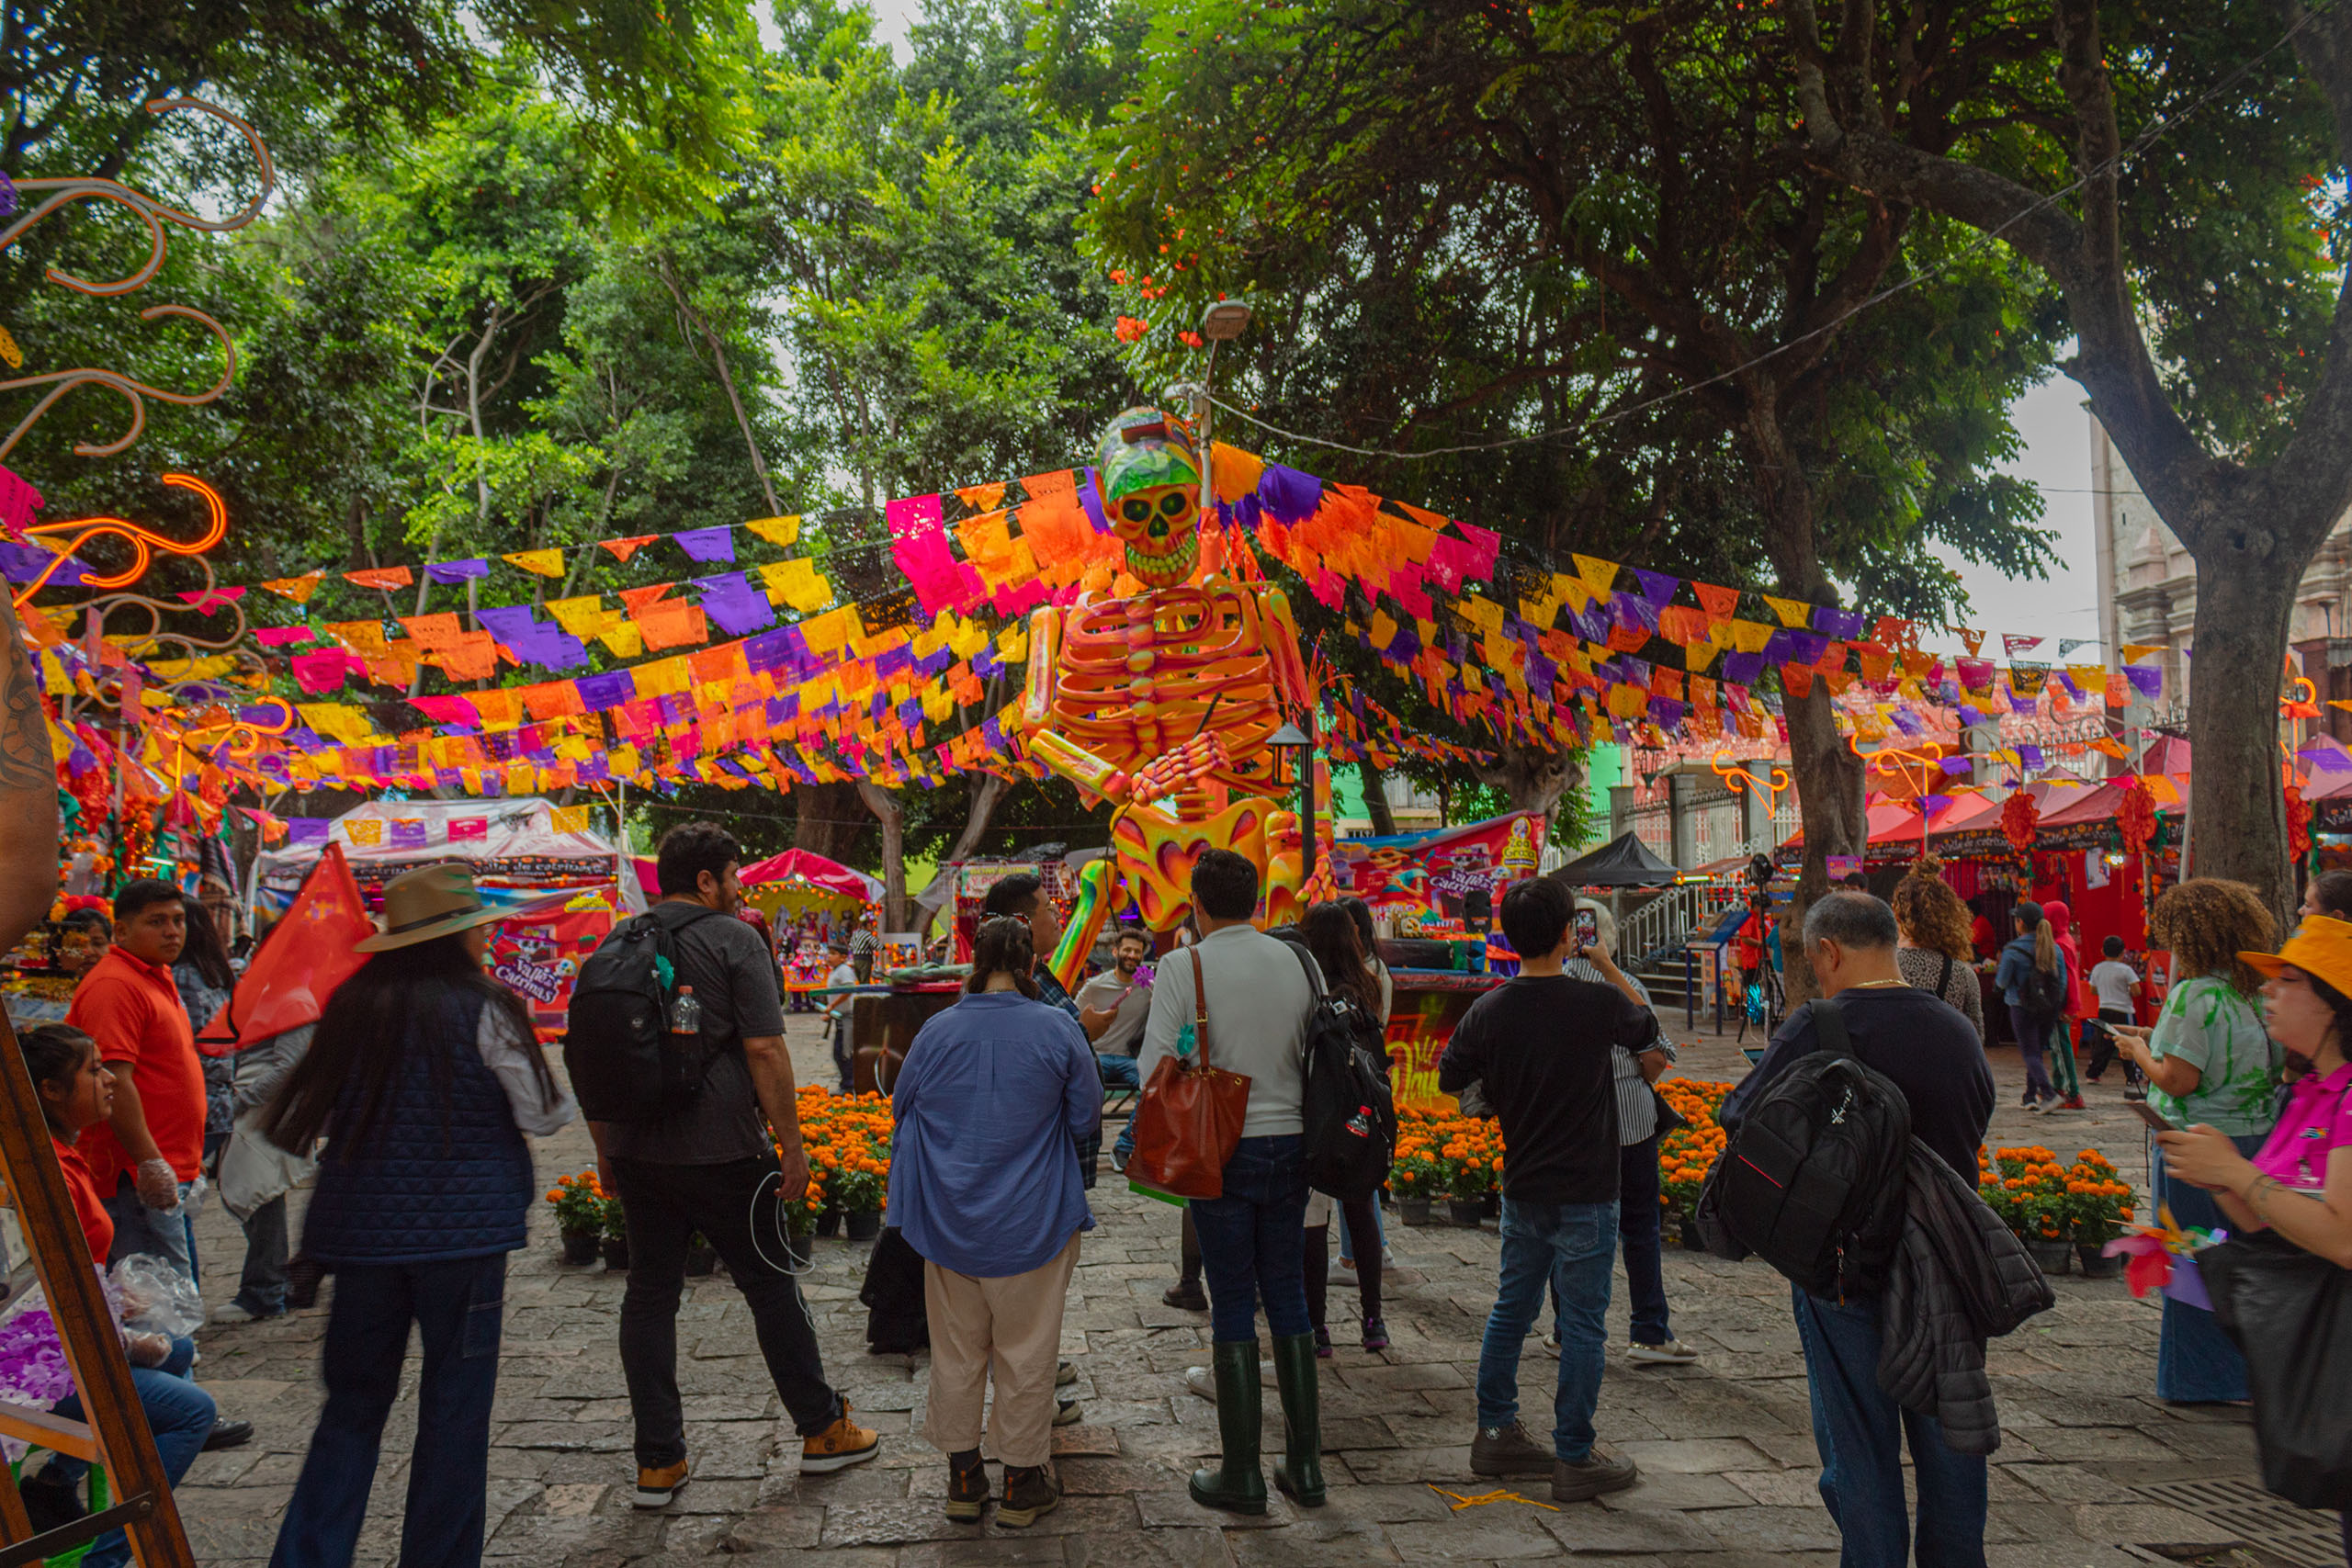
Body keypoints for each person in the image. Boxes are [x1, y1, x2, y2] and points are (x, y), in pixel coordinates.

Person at [259, 865, 574, 1568]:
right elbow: (543, 1114)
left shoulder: (353, 1004)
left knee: (350, 1409)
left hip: (360, 1235)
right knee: (455, 1414)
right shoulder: (487, 1005)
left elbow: (321, 1111)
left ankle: (308, 1556)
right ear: (458, 937)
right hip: (463, 1240)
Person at [586, 823, 879, 1509]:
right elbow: (767, 1052)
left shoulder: (616, 941)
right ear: (710, 880)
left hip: (636, 1151)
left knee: (650, 1295)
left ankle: (659, 1459)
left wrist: (606, 1151)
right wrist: (794, 1145)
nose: (742, 885)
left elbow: (594, 1055)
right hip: (722, 1149)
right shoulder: (735, 939)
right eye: (735, 874)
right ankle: (822, 1426)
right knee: (772, 1286)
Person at [1720, 892, 1996, 1568]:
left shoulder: (1819, 1026)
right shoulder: (1956, 1027)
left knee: (1859, 1446)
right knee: (1949, 1441)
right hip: (1944, 1266)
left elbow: (1742, 1117)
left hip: (1842, 1266)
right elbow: (1978, 1114)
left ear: (1828, 952)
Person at [1438, 877, 1654, 1503]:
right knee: (1583, 1322)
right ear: (1569, 934)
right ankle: (1575, 1453)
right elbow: (1644, 1028)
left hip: (1524, 1184)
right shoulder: (1595, 1003)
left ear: (1506, 934)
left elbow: (1453, 1074)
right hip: (1589, 1187)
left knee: (1513, 1307)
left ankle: (1496, 1428)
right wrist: (1607, 965)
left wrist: (1502, 1092)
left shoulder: (1492, 1007)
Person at [2154, 915, 2352, 1566]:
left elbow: (2344, 1236)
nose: (2267, 992)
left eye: (2288, 981)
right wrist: (2219, 1176)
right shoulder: (2309, 1091)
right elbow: (2272, 1220)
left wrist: (2238, 1174)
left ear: (2332, 1001)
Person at [890, 916, 1100, 1528]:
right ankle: (1021, 1483)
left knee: (955, 1353)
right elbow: (1086, 1116)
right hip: (1034, 1218)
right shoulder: (1058, 1028)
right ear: (1030, 963)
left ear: (973, 959)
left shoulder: (938, 1029)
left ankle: (962, 1478)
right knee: (1027, 1352)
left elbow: (902, 1102)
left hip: (949, 1221)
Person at [1136, 849, 1320, 1515]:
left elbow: (1153, 1065)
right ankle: (1305, 1465)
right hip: (1293, 1145)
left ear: (1197, 903)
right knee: (1290, 1296)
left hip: (1222, 1150)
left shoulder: (1185, 964)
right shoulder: (1298, 960)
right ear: (1257, 903)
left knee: (1233, 1299)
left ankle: (1241, 1471)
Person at [11, 1025, 225, 1565]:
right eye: (94, 1070)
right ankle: (104, 1558)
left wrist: (114, 1309)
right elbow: (40, 1299)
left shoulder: (63, 1155)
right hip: (34, 1362)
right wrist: (120, 1337)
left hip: (65, 1339)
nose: (109, 1080)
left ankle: (60, 1478)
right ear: (52, 1090)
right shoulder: (46, 1173)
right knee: (194, 1411)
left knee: (176, 1350)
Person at [2105, 878, 2280, 1404]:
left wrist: (2138, 1054)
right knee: (2244, 1259)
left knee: (2192, 1258)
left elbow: (2180, 1080)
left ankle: (2200, 1378)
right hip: (2253, 1142)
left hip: (2196, 1146)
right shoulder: (2253, 994)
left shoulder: (2194, 994)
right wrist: (2148, 1040)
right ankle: (2252, 1372)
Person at [1564, 901, 1694, 1366]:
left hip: (1571, 1124)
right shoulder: (1628, 987)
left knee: (1573, 1228)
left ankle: (1567, 1332)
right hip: (1631, 1121)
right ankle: (1648, 1331)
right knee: (1640, 1225)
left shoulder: (1552, 987)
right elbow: (1658, 1054)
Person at [67, 879, 208, 1285]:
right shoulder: (115, 985)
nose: (172, 931)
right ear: (122, 931)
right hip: (133, 1172)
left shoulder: (153, 975)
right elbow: (115, 1081)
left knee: (176, 1290)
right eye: (157, 921)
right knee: (156, 1304)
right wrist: (149, 1162)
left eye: (178, 920)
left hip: (166, 1164)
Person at [1296, 902, 1389, 1354]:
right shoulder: (1371, 985)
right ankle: (1373, 1320)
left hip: (1315, 1115)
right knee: (1360, 1211)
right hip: (1361, 1113)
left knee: (1312, 1221)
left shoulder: (1306, 991)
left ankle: (1318, 1329)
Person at [984, 873, 1096, 1183]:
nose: (1059, 913)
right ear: (1023, 921)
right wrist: (1082, 1033)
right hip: (1040, 1162)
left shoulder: (1039, 973)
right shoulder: (1021, 986)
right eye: (1049, 907)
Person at [1078, 926, 1151, 1173]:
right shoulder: (1095, 986)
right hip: (1096, 1057)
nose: (1132, 955)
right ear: (1115, 952)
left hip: (1127, 1060)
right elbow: (1073, 1020)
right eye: (1127, 950)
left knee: (1154, 1089)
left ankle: (1124, 1146)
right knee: (1079, 1092)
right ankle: (1077, 1150)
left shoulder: (1147, 985)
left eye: (1137, 952)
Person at [1889, 866, 1986, 1044]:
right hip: (1946, 1067)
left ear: (1896, 911)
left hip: (1889, 1069)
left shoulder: (1881, 966)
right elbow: (1977, 1038)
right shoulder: (1962, 974)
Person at [1993, 902, 2068, 1113]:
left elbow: (2002, 982)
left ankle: (2049, 1094)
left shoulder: (2013, 950)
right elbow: (2062, 982)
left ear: (2021, 923)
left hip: (2020, 1005)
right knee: (2036, 1051)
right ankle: (2029, 1095)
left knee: (2030, 1052)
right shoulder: (2055, 949)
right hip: (2049, 1008)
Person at [2042, 898, 2088, 1109]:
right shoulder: (2065, 939)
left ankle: (2072, 1092)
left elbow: (2066, 977)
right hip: (2066, 1001)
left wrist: (2066, 1005)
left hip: (2062, 1003)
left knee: (2061, 1047)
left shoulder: (2060, 943)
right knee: (2059, 1046)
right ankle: (2060, 1088)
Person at [2082, 937, 2145, 1088]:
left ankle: (2093, 1074)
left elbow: (2092, 989)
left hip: (2104, 1010)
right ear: (2123, 953)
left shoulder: (2098, 968)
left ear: (2102, 951)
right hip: (2124, 1011)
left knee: (2102, 1044)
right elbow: (2137, 991)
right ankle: (2133, 1077)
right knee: (2128, 1043)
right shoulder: (2126, 970)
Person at [821, 941, 859, 1093]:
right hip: (839, 1017)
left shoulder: (844, 970)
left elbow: (848, 989)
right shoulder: (835, 971)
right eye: (829, 953)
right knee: (840, 1051)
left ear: (843, 957)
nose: (829, 957)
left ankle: (849, 1084)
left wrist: (832, 1006)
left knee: (843, 1052)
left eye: (833, 954)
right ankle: (847, 1082)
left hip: (847, 1016)